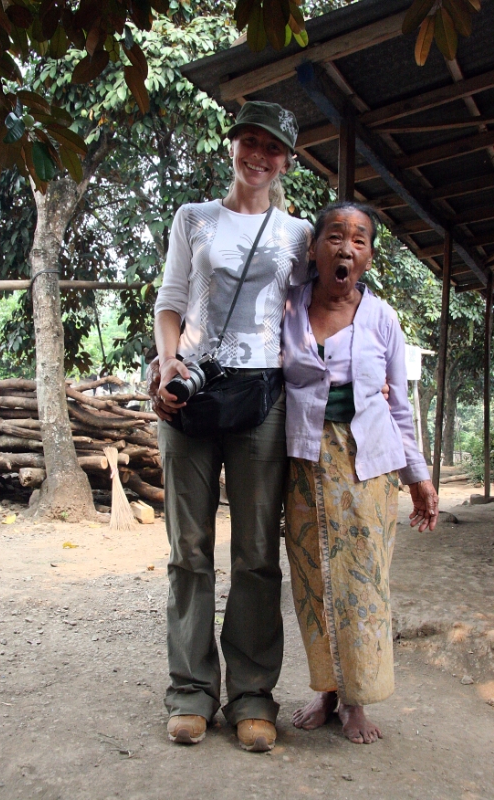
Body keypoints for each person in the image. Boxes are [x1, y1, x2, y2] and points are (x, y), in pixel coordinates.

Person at [152, 101, 313, 751]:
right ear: (231, 147)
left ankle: (251, 693)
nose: (259, 155)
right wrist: (165, 364)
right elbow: (170, 302)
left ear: (287, 162)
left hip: (262, 398)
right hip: (188, 395)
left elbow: (309, 312)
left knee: (254, 554)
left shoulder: (299, 234)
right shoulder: (193, 218)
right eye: (250, 141)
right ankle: (191, 689)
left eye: (272, 148)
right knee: (188, 551)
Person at [281, 201, 439, 745]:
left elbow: (399, 410)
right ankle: (326, 691)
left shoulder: (383, 318)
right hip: (302, 461)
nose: (346, 247)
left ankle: (356, 702)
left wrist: (418, 478)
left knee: (363, 582)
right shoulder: (288, 306)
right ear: (315, 248)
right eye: (335, 236)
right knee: (313, 577)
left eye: (359, 239)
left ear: (369, 255)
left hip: (367, 465)